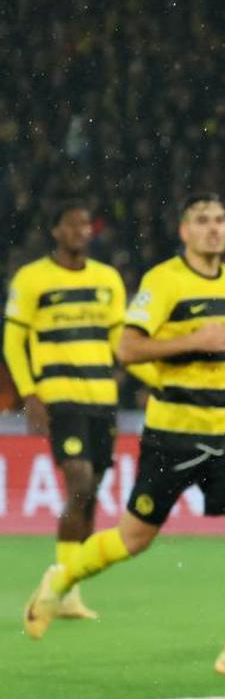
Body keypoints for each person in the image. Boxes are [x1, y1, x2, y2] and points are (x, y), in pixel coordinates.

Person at [24, 194, 225, 676]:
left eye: (220, 220)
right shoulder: (163, 281)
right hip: (174, 434)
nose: (214, 228)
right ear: (185, 232)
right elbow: (128, 348)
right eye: (203, 221)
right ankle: (61, 577)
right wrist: (194, 340)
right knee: (134, 539)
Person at [5, 201, 130, 622]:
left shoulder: (107, 279)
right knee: (79, 481)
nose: (82, 230)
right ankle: (58, 585)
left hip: (102, 399)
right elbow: (12, 342)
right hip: (60, 397)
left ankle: (69, 589)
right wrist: (30, 394)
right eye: (72, 224)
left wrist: (154, 375)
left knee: (91, 492)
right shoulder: (32, 279)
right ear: (55, 231)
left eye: (86, 224)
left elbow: (120, 342)